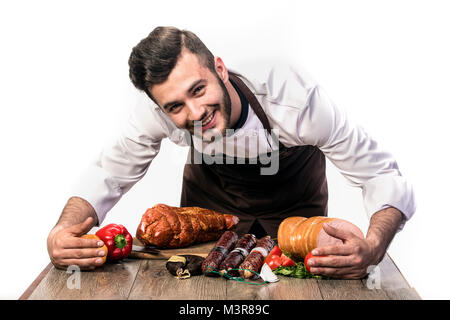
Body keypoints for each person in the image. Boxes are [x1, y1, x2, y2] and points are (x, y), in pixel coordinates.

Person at [47, 26, 415, 279]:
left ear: (219, 69)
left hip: (294, 229)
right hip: (207, 229)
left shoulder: (293, 98)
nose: (194, 113)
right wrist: (63, 230)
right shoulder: (155, 110)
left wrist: (374, 244)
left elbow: (379, 174)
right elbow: (109, 172)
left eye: (198, 89)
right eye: (175, 107)